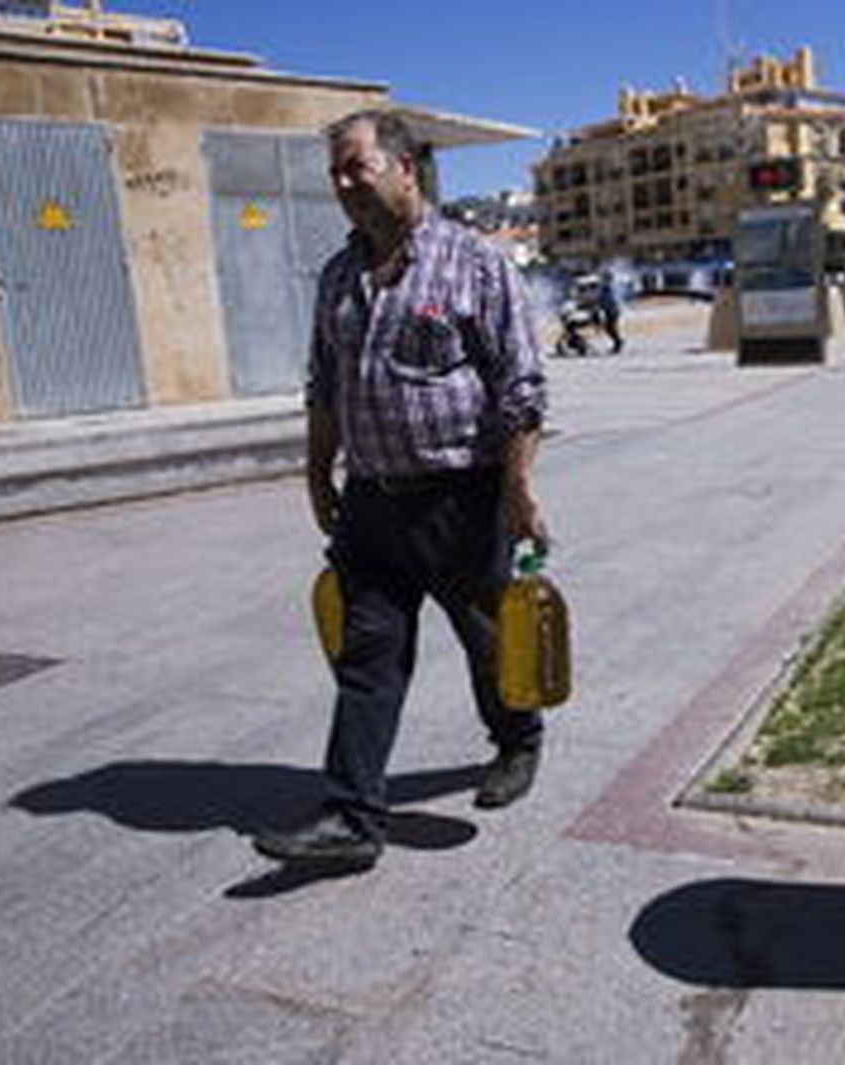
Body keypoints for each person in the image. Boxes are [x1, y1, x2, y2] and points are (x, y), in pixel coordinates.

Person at [253, 109, 549, 871]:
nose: (346, 184)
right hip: (373, 502)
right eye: (338, 173)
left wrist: (518, 488)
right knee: (368, 653)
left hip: (462, 496)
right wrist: (318, 471)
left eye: (359, 167)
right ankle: (352, 816)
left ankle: (518, 739)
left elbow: (520, 386)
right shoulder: (337, 276)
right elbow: (324, 384)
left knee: (488, 643)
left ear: (405, 167)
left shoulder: (475, 262)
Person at [594, 271, 623, 353]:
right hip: (611, 310)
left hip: (612, 310)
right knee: (609, 327)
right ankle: (617, 342)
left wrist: (598, 304)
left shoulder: (606, 288)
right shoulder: (606, 288)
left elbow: (604, 301)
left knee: (609, 327)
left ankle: (618, 342)